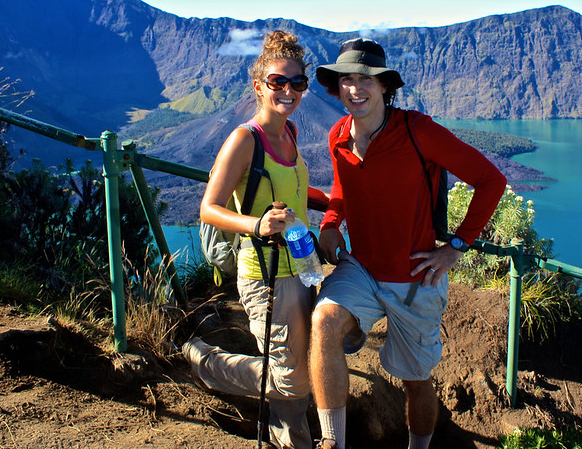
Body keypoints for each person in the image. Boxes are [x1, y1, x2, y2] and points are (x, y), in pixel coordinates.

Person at [309, 38, 507, 449]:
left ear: (385, 87)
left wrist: (457, 246)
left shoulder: (418, 132)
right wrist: (330, 223)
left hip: (416, 277)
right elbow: (342, 186)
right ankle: (332, 442)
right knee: (323, 322)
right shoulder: (338, 135)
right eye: (346, 79)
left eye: (366, 79)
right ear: (336, 87)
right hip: (362, 269)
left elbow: (491, 180)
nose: (355, 88)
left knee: (416, 381)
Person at [184, 30, 319, 449]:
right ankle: (204, 361)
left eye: (298, 82)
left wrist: (335, 202)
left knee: (299, 368)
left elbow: (293, 190)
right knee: (290, 379)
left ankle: (293, 439)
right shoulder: (245, 139)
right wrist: (257, 225)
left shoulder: (290, 132)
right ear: (259, 86)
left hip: (301, 268)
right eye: (278, 81)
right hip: (264, 275)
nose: (289, 90)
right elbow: (209, 208)